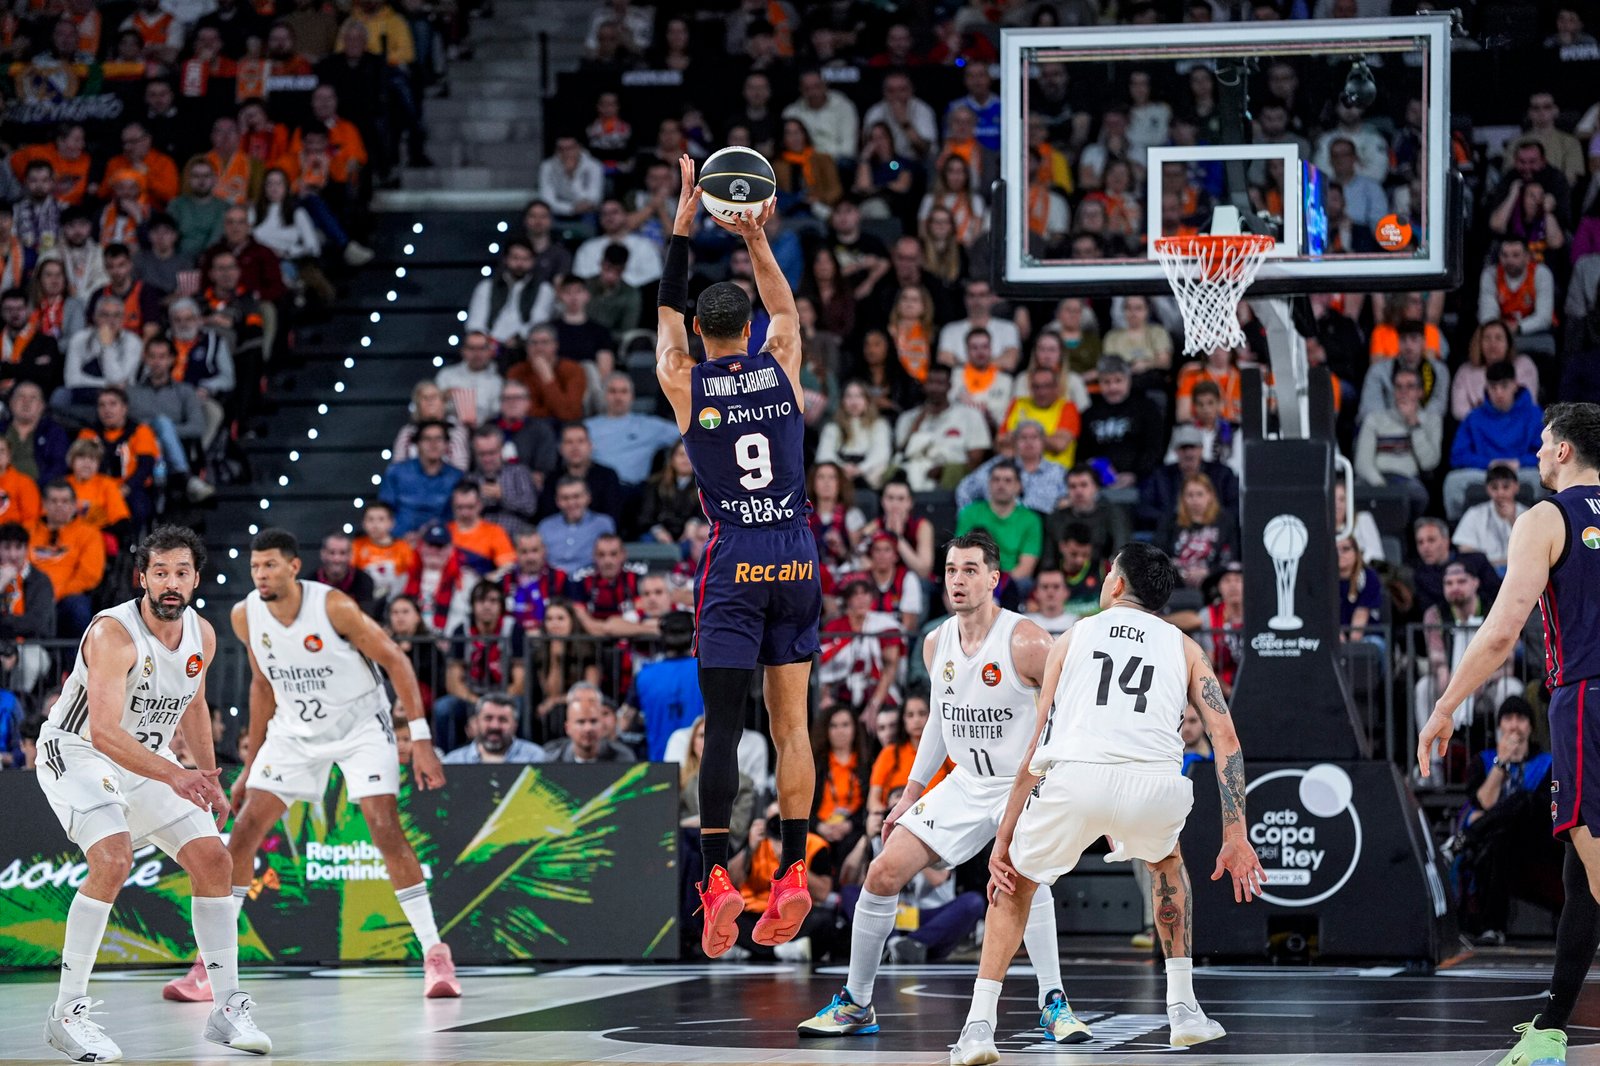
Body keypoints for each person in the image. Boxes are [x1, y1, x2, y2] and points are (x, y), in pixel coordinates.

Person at [949, 542, 1265, 1062]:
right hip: (1155, 786)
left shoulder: (1072, 636)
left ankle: (980, 1027)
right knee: (1166, 861)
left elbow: (1037, 742)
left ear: (1116, 584)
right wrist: (1235, 833)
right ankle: (1184, 1009)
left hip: (1077, 777)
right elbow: (1226, 739)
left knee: (1016, 882)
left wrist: (1003, 839)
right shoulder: (1186, 646)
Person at [800, 531, 1086, 1040]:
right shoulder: (936, 643)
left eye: (971, 569)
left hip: (1017, 785)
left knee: (1024, 876)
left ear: (994, 579)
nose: (958, 579)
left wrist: (1061, 775)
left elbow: (1073, 707)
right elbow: (939, 719)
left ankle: (1054, 1002)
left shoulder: (1026, 640)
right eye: (952, 569)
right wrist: (911, 793)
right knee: (883, 871)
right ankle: (857, 1003)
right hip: (964, 783)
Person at [162, 527, 460, 1003]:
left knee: (383, 826)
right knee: (244, 832)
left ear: (294, 567)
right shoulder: (245, 615)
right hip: (294, 731)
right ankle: (209, 967)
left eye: (271, 565)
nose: (261, 574)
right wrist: (254, 760)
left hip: (361, 725)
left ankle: (434, 952)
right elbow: (261, 687)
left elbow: (397, 661)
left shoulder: (333, 606)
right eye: (256, 566)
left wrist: (420, 739)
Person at [654, 156, 820, 957]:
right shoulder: (780, 358)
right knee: (792, 727)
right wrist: (754, 237)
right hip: (794, 552)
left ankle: (717, 878)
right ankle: (791, 870)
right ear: (750, 328)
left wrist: (684, 223)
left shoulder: (683, 378)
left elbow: (664, 315)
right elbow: (786, 308)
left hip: (735, 557)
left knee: (722, 726)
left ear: (700, 332)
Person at [37, 527, 271, 1060]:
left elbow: (192, 706)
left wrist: (208, 778)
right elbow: (103, 733)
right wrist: (176, 775)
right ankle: (66, 1014)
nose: (170, 583)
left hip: (147, 761)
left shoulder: (201, 635)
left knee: (215, 860)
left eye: (181, 573)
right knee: (113, 859)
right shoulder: (111, 634)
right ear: (142, 577)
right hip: (77, 753)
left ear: (195, 579)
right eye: (160, 572)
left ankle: (226, 1006)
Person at [1418, 403, 1600, 1066]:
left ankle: (1552, 1029)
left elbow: (1499, 632)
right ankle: (1553, 1024)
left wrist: (1444, 707)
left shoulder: (1547, 516)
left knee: (1596, 862)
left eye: (1544, 443)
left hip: (1588, 697)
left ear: (1561, 453)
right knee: (1580, 870)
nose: (1538, 453)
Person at [1455, 696, 1559, 945]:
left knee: (1525, 799)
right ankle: (1492, 929)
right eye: (1508, 718)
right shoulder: (1484, 760)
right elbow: (1482, 802)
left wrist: (1480, 823)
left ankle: (1465, 839)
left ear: (1531, 727)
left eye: (1521, 719)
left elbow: (1544, 808)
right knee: (1501, 838)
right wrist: (1501, 763)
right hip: (1499, 846)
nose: (1514, 725)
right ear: (1500, 725)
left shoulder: (1547, 763)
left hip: (1538, 841)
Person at [1443, 360, 1545, 520]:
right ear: (1487, 388)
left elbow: (1545, 454)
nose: (1498, 393)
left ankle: (1542, 527)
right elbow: (1457, 456)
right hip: (1484, 471)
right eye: (1493, 387)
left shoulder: (1534, 414)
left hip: (1521, 470)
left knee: (1543, 479)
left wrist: (1518, 462)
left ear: (1515, 385)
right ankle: (1457, 531)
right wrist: (1489, 464)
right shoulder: (1474, 417)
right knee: (1453, 482)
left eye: (1504, 386)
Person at [1455, 463, 1527, 573]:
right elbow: (1465, 551)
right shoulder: (1474, 514)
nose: (1500, 493)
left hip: (1521, 572)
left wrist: (1512, 520)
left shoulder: (1529, 514)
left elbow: (1535, 549)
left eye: (1505, 487)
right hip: (1485, 575)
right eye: (1494, 487)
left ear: (1516, 487)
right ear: (1487, 489)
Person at [441, 693, 546, 764]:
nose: (495, 726)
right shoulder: (454, 761)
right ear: (477, 722)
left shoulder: (535, 757)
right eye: (488, 718)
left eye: (503, 720)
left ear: (515, 725)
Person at [544, 682, 636, 762]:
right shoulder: (551, 757)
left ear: (601, 724)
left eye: (593, 721)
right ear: (567, 728)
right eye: (581, 722)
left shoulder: (623, 758)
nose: (588, 728)